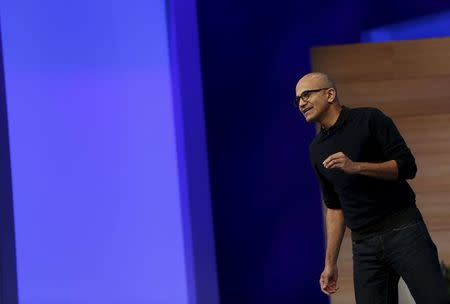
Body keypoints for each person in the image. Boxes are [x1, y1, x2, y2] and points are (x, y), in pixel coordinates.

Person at [295, 72, 449, 303]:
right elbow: (335, 208)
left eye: (306, 94)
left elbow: (407, 167)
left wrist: (356, 167)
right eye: (297, 99)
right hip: (364, 247)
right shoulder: (316, 149)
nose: (301, 103)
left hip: (404, 231)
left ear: (330, 94)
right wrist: (330, 264)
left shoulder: (369, 119)